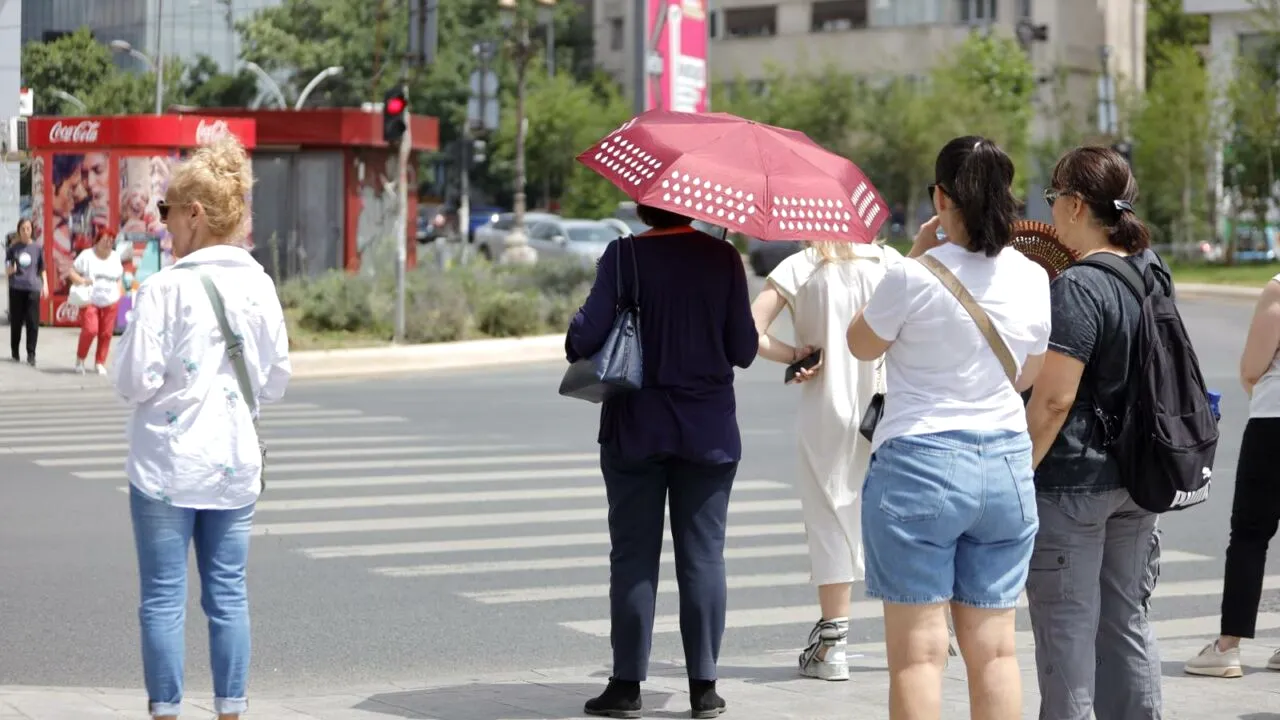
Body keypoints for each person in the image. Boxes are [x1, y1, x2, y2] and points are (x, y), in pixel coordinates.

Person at [846, 136, 1050, 720]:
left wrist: (913, 255)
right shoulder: (1032, 277)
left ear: (941, 197)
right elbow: (1028, 373)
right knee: (996, 652)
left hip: (919, 463)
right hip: (1007, 464)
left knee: (918, 658)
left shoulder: (912, 277)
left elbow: (861, 345)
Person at [111, 136, 291, 720]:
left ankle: (166, 711)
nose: (163, 224)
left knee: (163, 600)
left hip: (166, 467)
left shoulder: (165, 288)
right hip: (234, 466)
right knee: (228, 596)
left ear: (194, 214)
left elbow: (133, 381)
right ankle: (231, 712)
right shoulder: (260, 285)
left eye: (166, 211)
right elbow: (276, 382)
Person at [566, 204, 757, 719]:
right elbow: (744, 349)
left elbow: (582, 339)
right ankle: (704, 689)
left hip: (635, 429)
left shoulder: (623, 256)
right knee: (704, 557)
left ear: (643, 206)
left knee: (632, 557)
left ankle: (626, 687)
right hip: (708, 433)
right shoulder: (723, 258)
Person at [1024, 146, 1165, 719]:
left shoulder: (1080, 285)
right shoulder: (1153, 269)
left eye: (1055, 199)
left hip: (1075, 482)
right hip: (1140, 475)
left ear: (1077, 205)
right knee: (1127, 619)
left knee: (1066, 632)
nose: (1052, 210)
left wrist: (1019, 470)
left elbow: (1054, 399)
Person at [751, 239, 901, 681]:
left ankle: (832, 646)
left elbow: (748, 329)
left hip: (827, 407)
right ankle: (922, 631)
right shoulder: (890, 263)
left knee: (830, 515)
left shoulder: (801, 266)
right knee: (898, 517)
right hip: (889, 404)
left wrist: (793, 354)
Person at [1184, 275, 1280, 677]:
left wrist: (1251, 383)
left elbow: (1253, 367)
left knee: (1249, 535)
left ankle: (1228, 647)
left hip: (1274, 423)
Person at [68, 229, 125, 374]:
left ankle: (100, 362)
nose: (108, 243)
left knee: (106, 334)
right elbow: (72, 271)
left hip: (110, 301)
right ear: (97, 240)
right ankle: (80, 359)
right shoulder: (87, 255)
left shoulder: (115, 257)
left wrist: (119, 293)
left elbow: (119, 277)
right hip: (90, 300)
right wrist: (82, 280)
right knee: (90, 330)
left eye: (111, 240)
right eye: (105, 239)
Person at [5, 218, 47, 366]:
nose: (25, 231)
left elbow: (42, 269)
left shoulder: (37, 248)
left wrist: (45, 286)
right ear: (19, 231)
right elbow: (7, 270)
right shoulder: (12, 249)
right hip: (16, 288)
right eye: (23, 229)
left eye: (28, 228)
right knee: (16, 322)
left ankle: (31, 354)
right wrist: (12, 269)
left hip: (33, 288)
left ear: (32, 230)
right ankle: (15, 351)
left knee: (32, 322)